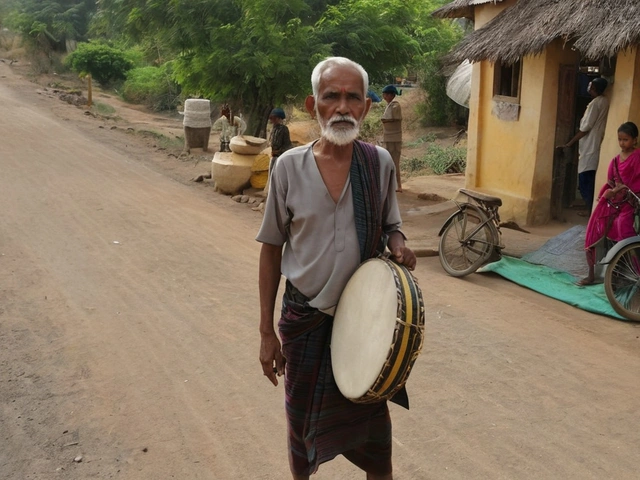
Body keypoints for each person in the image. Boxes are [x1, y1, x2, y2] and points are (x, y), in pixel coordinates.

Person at [256, 57, 416, 479]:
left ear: (366, 107)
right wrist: (265, 331)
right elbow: (271, 249)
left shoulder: (378, 163)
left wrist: (398, 244)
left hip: (362, 328)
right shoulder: (288, 166)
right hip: (305, 322)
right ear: (313, 105)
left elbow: (392, 224)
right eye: (332, 97)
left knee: (376, 444)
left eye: (352, 98)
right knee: (302, 434)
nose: (342, 107)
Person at [578, 122, 640, 285]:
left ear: (634, 140)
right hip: (614, 202)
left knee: (622, 227)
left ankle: (634, 272)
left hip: (631, 204)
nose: (622, 143)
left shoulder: (637, 157)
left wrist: (622, 190)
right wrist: (610, 192)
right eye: (620, 139)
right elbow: (611, 182)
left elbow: (636, 185)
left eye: (625, 139)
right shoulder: (614, 161)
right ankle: (593, 273)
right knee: (595, 227)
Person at [558, 77, 609, 216]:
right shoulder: (604, 101)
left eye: (591, 86)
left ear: (595, 89)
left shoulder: (595, 104)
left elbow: (586, 127)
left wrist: (570, 142)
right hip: (594, 142)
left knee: (585, 178)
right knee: (589, 177)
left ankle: (589, 209)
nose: (589, 88)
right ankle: (589, 207)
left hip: (591, 144)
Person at [381, 85, 403, 193]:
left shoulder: (395, 106)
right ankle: (392, 184)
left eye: (385, 94)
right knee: (389, 162)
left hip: (394, 138)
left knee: (394, 162)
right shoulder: (390, 105)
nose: (384, 96)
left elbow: (393, 118)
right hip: (389, 137)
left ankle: (398, 185)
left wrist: (384, 120)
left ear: (390, 95)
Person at [268, 107, 293, 173]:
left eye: (275, 118)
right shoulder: (272, 129)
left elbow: (287, 145)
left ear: (280, 119)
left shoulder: (284, 129)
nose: (273, 120)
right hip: (273, 156)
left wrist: (279, 152)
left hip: (282, 157)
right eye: (272, 118)